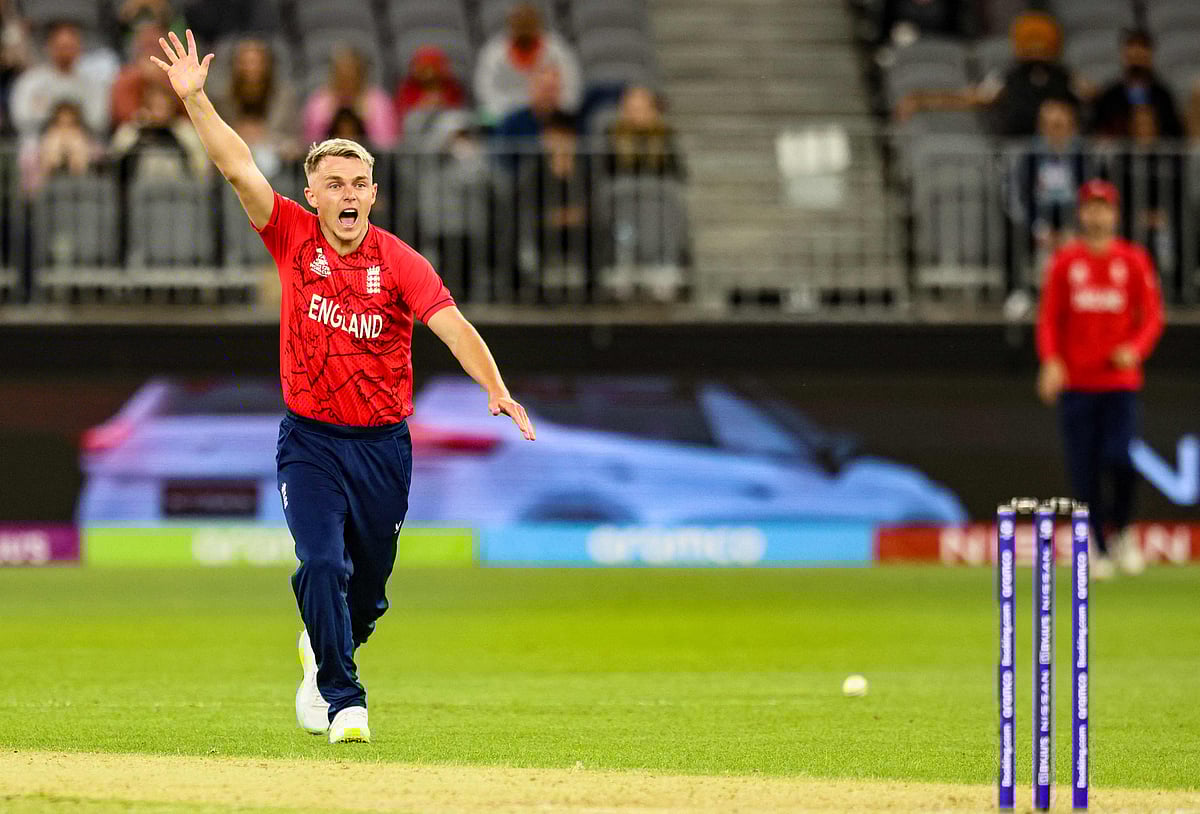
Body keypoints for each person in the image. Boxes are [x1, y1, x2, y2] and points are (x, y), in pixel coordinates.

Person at [151, 30, 535, 744]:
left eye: (359, 183)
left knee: (369, 594)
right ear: (312, 195)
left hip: (385, 447)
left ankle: (322, 647)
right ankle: (342, 698)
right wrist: (198, 101)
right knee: (321, 562)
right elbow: (238, 169)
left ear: (374, 194)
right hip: (312, 440)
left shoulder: (401, 262)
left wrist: (496, 387)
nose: (348, 194)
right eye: (334, 183)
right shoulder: (292, 237)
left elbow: (452, 325)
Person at [1036, 179, 1164, 579]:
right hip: (1077, 385)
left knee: (1120, 459)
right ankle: (1096, 545)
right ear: (1081, 213)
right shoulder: (1064, 262)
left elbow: (1153, 317)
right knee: (1083, 469)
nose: (1097, 215)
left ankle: (1123, 531)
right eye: (1090, 207)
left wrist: (1135, 350)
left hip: (1120, 383)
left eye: (1103, 207)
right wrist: (1051, 361)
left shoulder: (1133, 261)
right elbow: (1049, 319)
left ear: (1115, 214)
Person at [1007, 97, 1086, 287]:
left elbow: (1091, 196)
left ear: (1071, 128)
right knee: (1012, 233)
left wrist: (1075, 228)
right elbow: (1016, 195)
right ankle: (1019, 292)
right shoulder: (1029, 158)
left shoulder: (1083, 158)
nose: (1053, 132)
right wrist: (1039, 228)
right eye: (1048, 126)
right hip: (1037, 219)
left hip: (1073, 221)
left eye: (1059, 126)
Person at [474, 2, 581, 123]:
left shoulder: (556, 50)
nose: (523, 25)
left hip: (551, 117)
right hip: (505, 116)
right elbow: (485, 92)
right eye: (518, 20)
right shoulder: (493, 53)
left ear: (537, 22)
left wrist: (555, 111)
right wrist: (516, 112)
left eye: (528, 21)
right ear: (509, 23)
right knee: (484, 117)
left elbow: (571, 88)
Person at [9, 21, 110, 146]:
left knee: (76, 142)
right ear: (48, 47)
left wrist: (73, 124)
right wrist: (53, 123)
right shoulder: (30, 81)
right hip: (39, 142)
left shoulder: (93, 83)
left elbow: (99, 120)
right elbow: (22, 119)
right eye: (61, 47)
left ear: (80, 48)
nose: (65, 53)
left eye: (70, 47)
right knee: (54, 141)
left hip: (83, 140)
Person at [210, 38, 299, 178]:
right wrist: (239, 134)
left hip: (275, 153)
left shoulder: (284, 97)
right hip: (233, 153)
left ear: (267, 64)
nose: (251, 68)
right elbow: (214, 135)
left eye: (256, 62)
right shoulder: (223, 97)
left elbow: (293, 138)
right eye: (245, 62)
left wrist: (264, 135)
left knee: (267, 161)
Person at [1088, 30, 1183, 140]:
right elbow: (1097, 132)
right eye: (1132, 50)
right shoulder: (1109, 96)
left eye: (1142, 49)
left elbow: (1174, 135)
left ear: (1150, 55)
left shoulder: (1163, 96)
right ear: (1124, 55)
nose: (1137, 55)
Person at [302, 45, 398, 149]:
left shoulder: (378, 101)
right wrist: (329, 117)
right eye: (341, 74)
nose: (346, 80)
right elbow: (310, 142)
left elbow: (387, 143)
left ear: (361, 74)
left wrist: (367, 119)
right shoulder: (319, 101)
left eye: (352, 74)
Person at [19, 100, 102, 193]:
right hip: (50, 180)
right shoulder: (50, 133)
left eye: (69, 115)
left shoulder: (82, 133)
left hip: (80, 179)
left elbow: (96, 152)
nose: (66, 119)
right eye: (63, 115)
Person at [393, 45, 465, 142]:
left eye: (427, 67)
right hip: (417, 139)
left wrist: (441, 104)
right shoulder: (408, 89)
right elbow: (405, 122)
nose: (421, 71)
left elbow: (457, 114)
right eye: (418, 67)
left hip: (445, 138)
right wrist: (424, 106)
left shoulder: (451, 87)